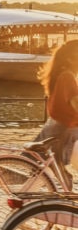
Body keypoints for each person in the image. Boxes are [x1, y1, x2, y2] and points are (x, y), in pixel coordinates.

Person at [34, 39, 78, 187]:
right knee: (56, 167)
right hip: (64, 127)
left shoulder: (60, 74)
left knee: (48, 167)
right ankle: (64, 204)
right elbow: (75, 103)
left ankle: (58, 201)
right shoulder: (68, 77)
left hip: (55, 124)